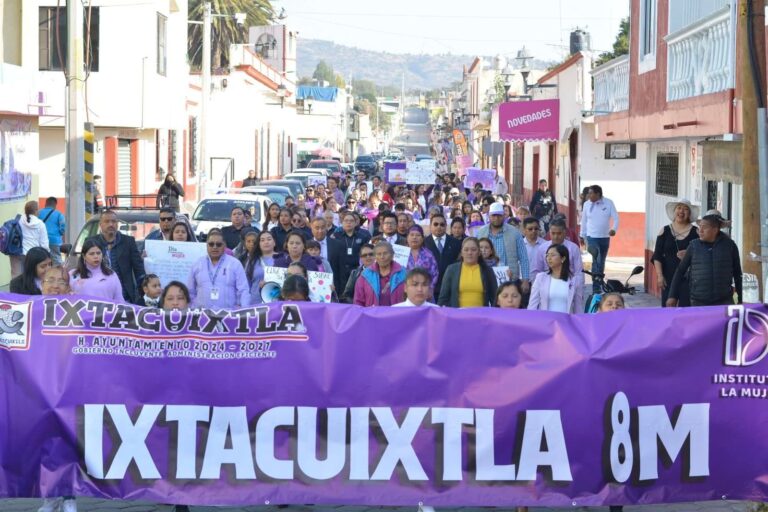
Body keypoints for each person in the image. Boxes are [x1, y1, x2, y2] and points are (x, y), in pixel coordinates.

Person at [667, 210, 742, 307]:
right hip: (698, 301)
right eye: (700, 227)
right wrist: (672, 295)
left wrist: (740, 298)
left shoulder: (730, 246)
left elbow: (737, 274)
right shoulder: (693, 246)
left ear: (715, 230)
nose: (700, 231)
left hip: (724, 301)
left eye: (704, 227)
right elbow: (680, 271)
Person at [87, 210, 145, 303]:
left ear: (117, 224)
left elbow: (139, 269)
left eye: (113, 221)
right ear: (100, 224)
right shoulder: (91, 242)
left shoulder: (128, 242)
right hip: (99, 297)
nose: (111, 224)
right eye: (107, 221)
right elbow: (85, 268)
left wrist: (142, 292)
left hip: (125, 297)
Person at [652, 199, 699, 307]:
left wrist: (689, 254)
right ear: (674, 211)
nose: (681, 211)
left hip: (688, 278)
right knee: (668, 310)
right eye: (679, 208)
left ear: (689, 214)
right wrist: (660, 276)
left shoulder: (696, 232)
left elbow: (701, 254)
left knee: (685, 311)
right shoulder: (664, 231)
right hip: (668, 278)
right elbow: (657, 255)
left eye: (686, 209)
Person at [187, 228, 250, 308]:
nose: (215, 247)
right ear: (206, 245)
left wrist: (243, 313)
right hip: (202, 317)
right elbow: (190, 292)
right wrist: (193, 310)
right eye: (211, 244)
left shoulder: (235, 264)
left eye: (219, 244)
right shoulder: (197, 264)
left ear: (224, 246)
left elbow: (243, 291)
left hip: (228, 316)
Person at [531, 218, 584, 308]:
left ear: (565, 233)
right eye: (553, 233)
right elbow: (537, 271)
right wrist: (536, 289)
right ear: (549, 233)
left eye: (559, 233)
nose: (555, 237)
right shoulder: (542, 248)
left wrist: (579, 291)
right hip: (547, 287)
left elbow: (579, 273)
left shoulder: (573, 248)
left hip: (568, 285)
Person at [477, 203, 529, 293]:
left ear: (504, 216)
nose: (496, 218)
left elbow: (523, 258)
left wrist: (525, 280)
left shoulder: (514, 233)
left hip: (510, 279)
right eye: (494, 215)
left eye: (499, 216)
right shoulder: (481, 232)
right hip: (486, 280)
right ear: (489, 216)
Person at [580, 185, 619, 293]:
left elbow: (616, 218)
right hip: (592, 237)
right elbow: (584, 221)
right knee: (596, 259)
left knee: (601, 261)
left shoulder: (608, 203)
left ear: (598, 194)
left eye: (591, 193)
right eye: (588, 193)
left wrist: (614, 229)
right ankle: (596, 286)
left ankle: (600, 281)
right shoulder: (587, 204)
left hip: (605, 237)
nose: (589, 195)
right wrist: (582, 235)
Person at [438, 237, 498, 308]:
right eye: (466, 250)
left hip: (481, 316)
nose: (469, 253)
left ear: (479, 252)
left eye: (473, 250)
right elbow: (443, 298)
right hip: (457, 316)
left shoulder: (487, 271)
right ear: (462, 253)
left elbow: (495, 298)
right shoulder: (452, 270)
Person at [527, 244, 579, 313]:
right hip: (545, 321)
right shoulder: (541, 278)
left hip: (566, 321)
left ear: (563, 258)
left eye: (553, 255)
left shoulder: (574, 280)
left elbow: (578, 306)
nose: (549, 258)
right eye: (547, 255)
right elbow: (532, 305)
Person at [353, 241, 407, 306]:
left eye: (385, 253)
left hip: (397, 315)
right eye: (379, 254)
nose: (382, 257)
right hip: (372, 315)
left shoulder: (404, 274)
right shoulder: (365, 275)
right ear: (375, 256)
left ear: (392, 255)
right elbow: (358, 302)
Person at [331, 211, 372, 292]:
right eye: (346, 221)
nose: (348, 223)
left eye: (351, 221)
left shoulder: (363, 237)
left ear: (355, 223)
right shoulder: (335, 236)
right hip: (340, 271)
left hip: (357, 271)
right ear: (342, 222)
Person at [424, 213, 461, 298]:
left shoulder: (456, 243)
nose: (439, 227)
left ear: (446, 226)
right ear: (430, 226)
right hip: (430, 289)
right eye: (435, 224)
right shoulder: (424, 243)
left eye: (442, 224)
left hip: (450, 288)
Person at [11, 201, 50, 278]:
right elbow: (44, 244)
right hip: (33, 255)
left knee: (16, 276)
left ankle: (15, 290)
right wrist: (47, 255)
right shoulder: (40, 224)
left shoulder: (19, 219)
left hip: (17, 252)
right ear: (36, 210)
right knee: (31, 277)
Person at [240, 230, 277, 305]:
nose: (266, 242)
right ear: (259, 244)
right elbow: (245, 284)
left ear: (274, 242)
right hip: (255, 303)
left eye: (269, 239)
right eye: (262, 240)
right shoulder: (252, 261)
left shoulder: (283, 258)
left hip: (276, 303)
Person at [405, 225, 439, 292]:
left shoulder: (428, 254)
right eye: (412, 235)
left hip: (424, 291)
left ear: (422, 238)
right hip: (404, 291)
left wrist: (430, 289)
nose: (414, 237)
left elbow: (435, 273)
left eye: (418, 235)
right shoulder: (400, 253)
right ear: (407, 237)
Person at [38, 197, 66, 265]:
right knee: (56, 260)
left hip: (41, 240)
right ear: (55, 205)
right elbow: (63, 227)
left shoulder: (39, 213)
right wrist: (59, 233)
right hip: (54, 240)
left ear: (46, 203)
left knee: (41, 260)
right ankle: (57, 274)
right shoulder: (59, 214)